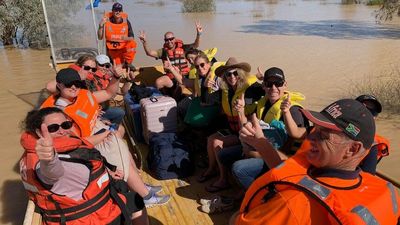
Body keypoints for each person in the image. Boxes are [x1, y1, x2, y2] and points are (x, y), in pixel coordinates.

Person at [235, 99, 400, 225]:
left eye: (323, 135)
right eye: (315, 128)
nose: (311, 136)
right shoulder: (386, 191)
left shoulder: (294, 204)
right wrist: (262, 143)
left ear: (352, 149)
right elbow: (293, 174)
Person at [41, 68, 170, 207]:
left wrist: (115, 77)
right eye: (68, 84)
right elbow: (79, 142)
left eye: (76, 83)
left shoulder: (82, 94)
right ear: (59, 85)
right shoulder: (59, 114)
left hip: (97, 131)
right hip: (87, 145)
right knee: (116, 145)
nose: (73, 87)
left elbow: (109, 93)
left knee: (122, 146)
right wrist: (106, 134)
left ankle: (140, 186)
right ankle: (145, 196)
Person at [19, 107, 149, 225]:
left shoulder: (44, 150)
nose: (62, 131)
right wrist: (49, 158)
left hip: (83, 210)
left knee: (124, 188)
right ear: (40, 132)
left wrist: (107, 173)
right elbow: (52, 173)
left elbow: (83, 148)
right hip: (93, 218)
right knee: (136, 200)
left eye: (65, 125)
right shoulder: (44, 162)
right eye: (53, 128)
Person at [228, 67, 307, 190]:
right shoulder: (262, 104)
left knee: (239, 168)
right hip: (262, 146)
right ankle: (238, 189)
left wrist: (254, 153)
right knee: (224, 155)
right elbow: (246, 129)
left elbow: (292, 141)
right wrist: (240, 111)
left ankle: (264, 197)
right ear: (263, 86)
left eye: (278, 84)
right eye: (269, 84)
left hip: (282, 158)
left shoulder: (293, 110)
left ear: (285, 85)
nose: (274, 88)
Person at [198, 57, 264, 193]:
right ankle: (212, 169)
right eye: (228, 74)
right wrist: (204, 87)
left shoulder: (251, 88)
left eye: (235, 73)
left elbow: (268, 92)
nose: (232, 77)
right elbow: (205, 102)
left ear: (240, 74)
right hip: (233, 130)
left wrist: (263, 81)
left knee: (216, 142)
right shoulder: (225, 91)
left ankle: (223, 180)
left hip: (247, 133)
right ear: (224, 76)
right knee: (210, 139)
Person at [138, 22, 202, 91]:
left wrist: (199, 34)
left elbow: (196, 45)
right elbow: (149, 53)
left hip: (185, 76)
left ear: (174, 39)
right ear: (165, 41)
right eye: (167, 40)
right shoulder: (163, 51)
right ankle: (164, 97)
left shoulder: (183, 48)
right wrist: (144, 42)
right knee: (158, 82)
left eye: (171, 39)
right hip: (171, 77)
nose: (169, 41)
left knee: (184, 86)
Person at [356, 94, 390, 175]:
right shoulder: (331, 126)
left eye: (373, 112)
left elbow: (368, 176)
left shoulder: (371, 144)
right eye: (363, 108)